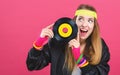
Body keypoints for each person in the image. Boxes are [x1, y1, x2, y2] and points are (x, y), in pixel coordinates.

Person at [26, 4, 110, 75]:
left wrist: (79, 59)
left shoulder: (100, 45)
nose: (84, 24)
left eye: (90, 21)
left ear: (94, 26)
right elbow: (32, 65)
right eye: (80, 19)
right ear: (74, 22)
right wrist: (38, 44)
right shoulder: (58, 42)